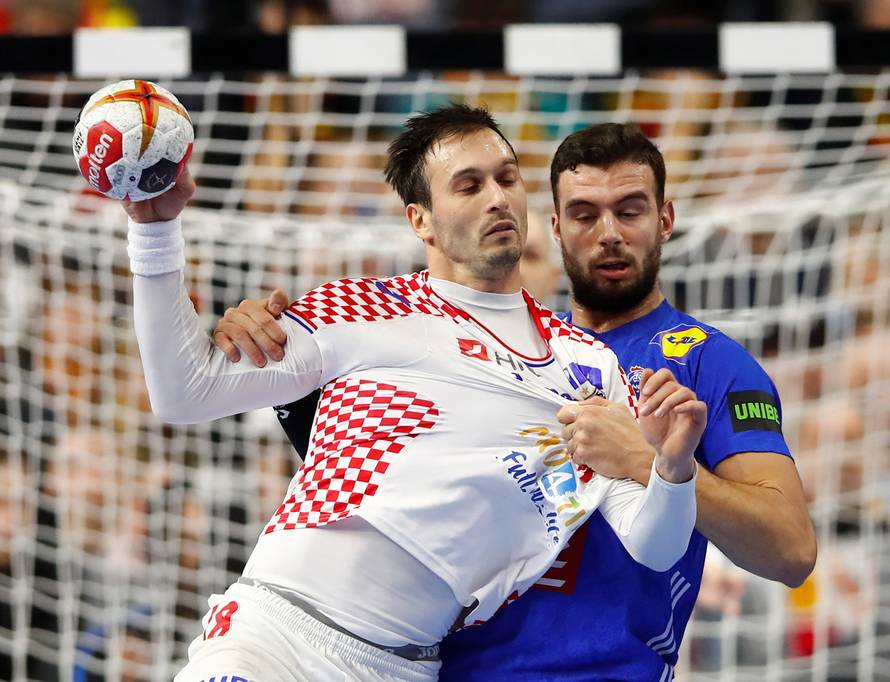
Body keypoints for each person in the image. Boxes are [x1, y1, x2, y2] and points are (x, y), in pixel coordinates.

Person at [124, 106, 705, 682]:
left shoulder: (589, 366)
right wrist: (154, 230)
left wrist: (672, 469)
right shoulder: (358, 308)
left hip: (404, 668)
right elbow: (185, 392)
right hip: (277, 637)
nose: (498, 198)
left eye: (507, 177)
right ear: (421, 220)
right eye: (469, 186)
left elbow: (654, 544)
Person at [217, 122, 816, 680]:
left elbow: (789, 549)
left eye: (629, 211)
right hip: (435, 664)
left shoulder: (708, 360)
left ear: (665, 221)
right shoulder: (498, 353)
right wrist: (264, 339)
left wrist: (642, 460)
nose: (608, 234)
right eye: (584, 214)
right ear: (552, 227)